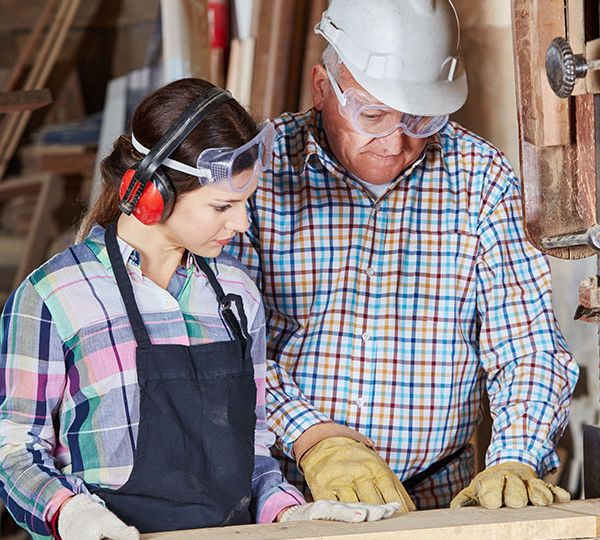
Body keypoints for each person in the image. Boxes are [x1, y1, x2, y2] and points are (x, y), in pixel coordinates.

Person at [0, 78, 401, 540]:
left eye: (245, 203)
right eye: (222, 206)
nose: (241, 222)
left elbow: (249, 456)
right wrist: (69, 515)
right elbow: (14, 453)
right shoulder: (53, 296)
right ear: (155, 195)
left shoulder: (235, 295)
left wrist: (285, 510)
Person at [226, 0, 580, 511]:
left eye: (419, 118)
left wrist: (515, 457)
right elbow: (225, 339)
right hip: (286, 493)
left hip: (437, 495)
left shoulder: (481, 178)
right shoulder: (259, 173)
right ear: (322, 87)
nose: (395, 142)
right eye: (373, 114)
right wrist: (314, 439)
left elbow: (528, 346)